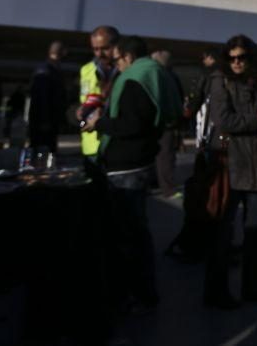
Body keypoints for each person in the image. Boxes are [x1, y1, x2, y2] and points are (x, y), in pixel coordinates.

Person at [81, 35, 181, 311]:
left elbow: (131, 124)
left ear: (126, 56)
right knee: (136, 230)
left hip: (126, 165)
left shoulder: (135, 78)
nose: (116, 65)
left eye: (116, 59)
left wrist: (100, 123)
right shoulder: (156, 73)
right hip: (141, 160)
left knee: (128, 232)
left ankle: (135, 291)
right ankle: (142, 288)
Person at [203, 35, 257, 309]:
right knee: (224, 232)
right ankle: (216, 291)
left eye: (242, 58)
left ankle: (254, 286)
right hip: (229, 164)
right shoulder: (219, 80)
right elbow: (222, 120)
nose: (236, 63)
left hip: (253, 163)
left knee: (255, 232)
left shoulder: (254, 82)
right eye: (232, 57)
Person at [77, 26, 121, 162]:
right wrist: (78, 112)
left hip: (117, 145)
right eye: (95, 49)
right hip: (91, 147)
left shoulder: (126, 69)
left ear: (117, 46)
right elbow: (82, 102)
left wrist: (104, 112)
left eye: (104, 48)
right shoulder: (86, 70)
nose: (99, 54)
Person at [151, 49, 185, 197]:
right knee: (166, 156)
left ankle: (156, 183)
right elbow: (178, 99)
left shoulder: (154, 76)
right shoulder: (170, 77)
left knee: (157, 155)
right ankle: (168, 188)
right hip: (167, 123)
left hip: (155, 122)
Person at [28, 41, 68, 152]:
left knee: (46, 149)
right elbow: (43, 96)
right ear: (62, 52)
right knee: (43, 150)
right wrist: (45, 119)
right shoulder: (47, 70)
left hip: (47, 119)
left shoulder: (49, 69)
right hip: (44, 119)